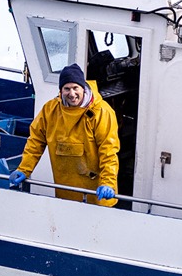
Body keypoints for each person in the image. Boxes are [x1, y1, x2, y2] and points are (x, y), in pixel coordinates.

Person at [8, 64, 120, 207]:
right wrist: (24, 169)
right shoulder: (50, 109)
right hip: (66, 191)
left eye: (75, 88)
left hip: (97, 192)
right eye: (67, 89)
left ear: (83, 88)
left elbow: (109, 151)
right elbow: (35, 141)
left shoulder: (102, 112)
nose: (72, 94)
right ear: (60, 90)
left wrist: (108, 182)